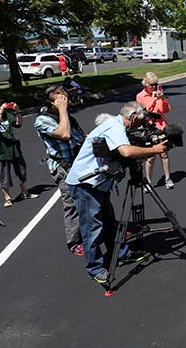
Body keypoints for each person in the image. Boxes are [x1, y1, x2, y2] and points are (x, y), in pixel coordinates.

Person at [65, 101, 169, 284]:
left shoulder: (116, 124)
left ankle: (121, 253)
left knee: (109, 222)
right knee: (92, 228)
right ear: (134, 117)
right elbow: (126, 151)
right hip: (86, 184)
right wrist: (153, 149)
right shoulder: (115, 128)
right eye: (140, 123)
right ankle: (95, 268)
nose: (140, 127)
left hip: (98, 183)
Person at [35, 85, 86, 256]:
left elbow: (80, 138)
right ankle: (74, 241)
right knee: (71, 205)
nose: (64, 101)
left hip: (79, 164)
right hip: (63, 167)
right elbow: (64, 134)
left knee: (94, 197)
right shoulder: (42, 119)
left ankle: (108, 227)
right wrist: (62, 111)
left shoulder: (67, 116)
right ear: (50, 103)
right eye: (60, 99)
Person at [0, 94, 39, 207]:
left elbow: (18, 124)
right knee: (4, 174)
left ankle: (25, 192)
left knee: (20, 170)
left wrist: (18, 112)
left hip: (13, 147)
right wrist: (0, 113)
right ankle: (7, 197)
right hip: (0, 150)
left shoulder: (6, 114)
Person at [136, 72, 174, 190]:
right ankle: (148, 181)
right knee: (150, 157)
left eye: (156, 84)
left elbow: (167, 110)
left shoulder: (158, 94)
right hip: (149, 127)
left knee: (164, 153)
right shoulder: (140, 96)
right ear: (146, 84)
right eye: (152, 84)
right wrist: (153, 100)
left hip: (161, 126)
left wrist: (162, 98)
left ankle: (168, 178)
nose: (154, 87)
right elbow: (143, 112)